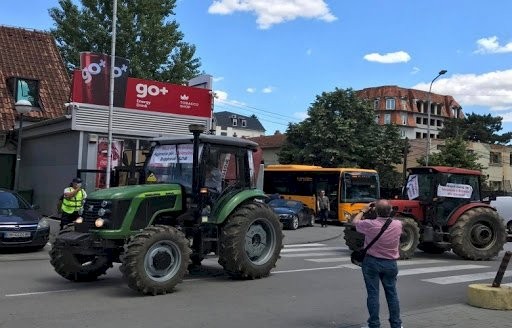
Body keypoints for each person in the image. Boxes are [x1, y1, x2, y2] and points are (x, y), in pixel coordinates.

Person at [352, 199, 403, 328]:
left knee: (373, 294)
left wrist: (364, 210)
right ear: (390, 210)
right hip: (390, 264)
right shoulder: (397, 225)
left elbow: (354, 222)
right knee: (392, 294)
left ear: (375, 210)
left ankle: (374, 324)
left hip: (372, 263)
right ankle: (396, 324)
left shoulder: (370, 224)